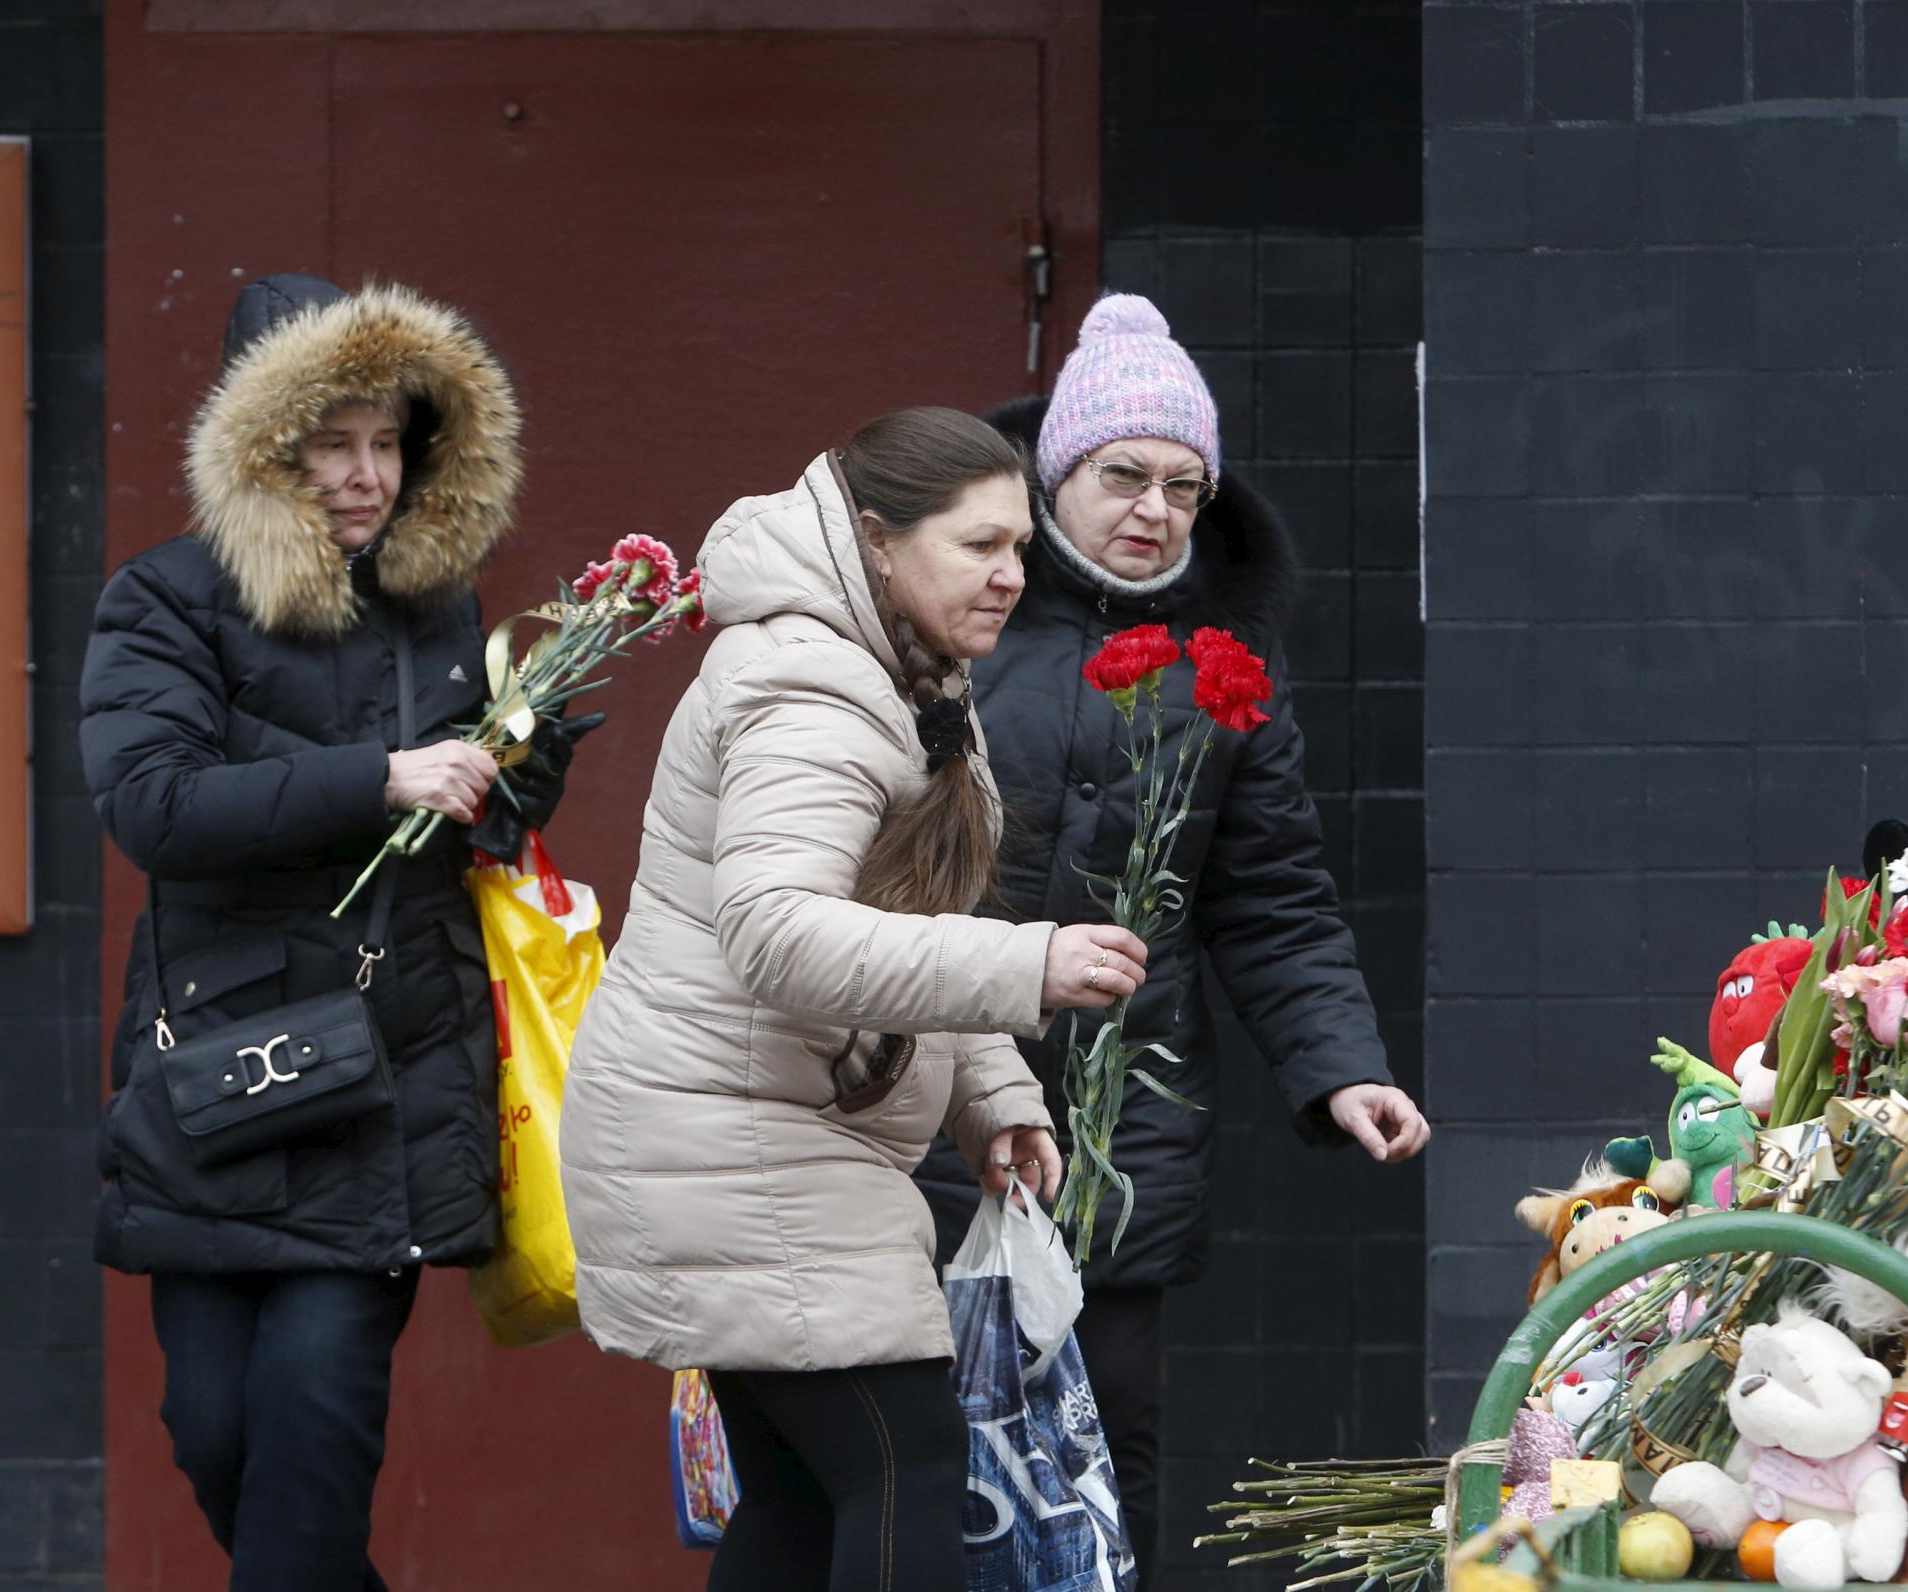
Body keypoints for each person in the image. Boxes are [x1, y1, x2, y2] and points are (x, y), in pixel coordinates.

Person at [561, 407, 1148, 1592]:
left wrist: (990, 1090)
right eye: (977, 545)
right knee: (907, 1465)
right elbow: (778, 934)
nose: (1008, 575)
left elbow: (908, 909)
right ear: (878, 542)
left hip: (751, 1127)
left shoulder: (899, 664)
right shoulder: (815, 687)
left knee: (798, 1492)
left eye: (1019, 549)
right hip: (738, 1138)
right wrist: (1028, 966)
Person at [914, 294, 1433, 1585]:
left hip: (1119, 1130)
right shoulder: (955, 631)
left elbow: (1271, 898)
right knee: (926, 1443)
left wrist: (1342, 1067)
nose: (1153, 508)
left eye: (1184, 488)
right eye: (1123, 475)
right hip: (928, 1105)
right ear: (1053, 478)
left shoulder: (1227, 667)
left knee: (1111, 1437)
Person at [81, 275, 585, 1591]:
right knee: (215, 1435)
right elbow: (153, 804)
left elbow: (468, 834)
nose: (367, 477)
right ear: (264, 443)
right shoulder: (166, 601)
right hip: (223, 1081)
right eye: (332, 443)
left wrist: (533, 747)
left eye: (388, 444)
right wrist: (380, 776)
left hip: (383, 1083)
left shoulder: (439, 608)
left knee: (310, 1442)